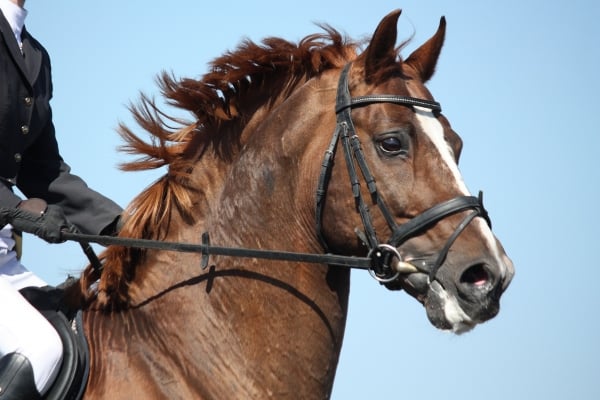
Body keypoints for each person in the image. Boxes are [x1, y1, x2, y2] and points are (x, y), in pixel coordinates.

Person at [0, 0, 123, 398]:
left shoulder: (35, 55)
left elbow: (44, 172)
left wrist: (121, 227)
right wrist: (18, 210)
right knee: (42, 348)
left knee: (79, 332)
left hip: (5, 261)